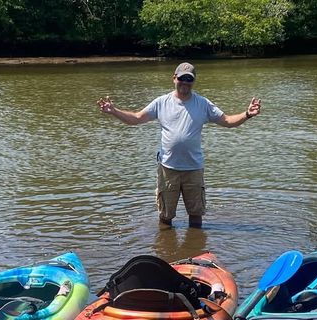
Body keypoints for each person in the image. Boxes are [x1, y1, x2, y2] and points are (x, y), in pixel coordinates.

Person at [97, 62, 261, 229]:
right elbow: (137, 118)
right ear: (174, 78)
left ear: (193, 81)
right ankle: (165, 248)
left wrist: (247, 114)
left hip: (194, 168)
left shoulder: (203, 103)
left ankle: (195, 247)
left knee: (196, 215)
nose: (185, 82)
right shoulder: (161, 102)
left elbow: (227, 121)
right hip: (168, 168)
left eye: (189, 79)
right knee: (165, 216)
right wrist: (114, 111)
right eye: (182, 78)